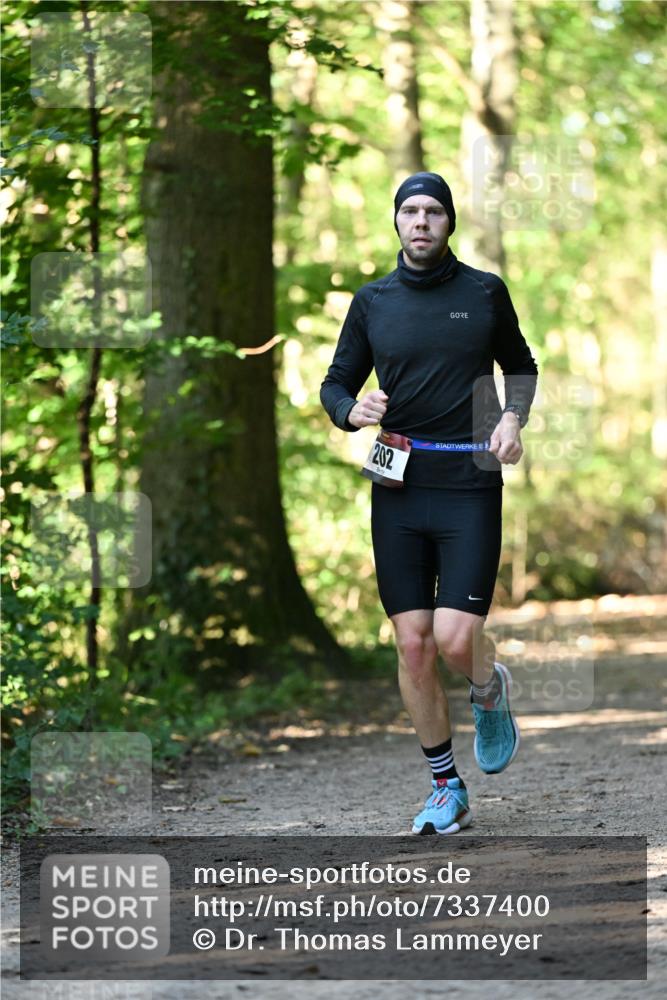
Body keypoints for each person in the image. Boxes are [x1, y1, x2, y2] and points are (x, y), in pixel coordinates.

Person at [320, 171, 538, 835]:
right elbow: (334, 385)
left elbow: (520, 366)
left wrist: (509, 421)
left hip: (468, 480)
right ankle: (446, 787)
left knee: (452, 638)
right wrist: (350, 411)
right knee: (411, 644)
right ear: (396, 222)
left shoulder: (482, 292)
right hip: (397, 482)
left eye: (432, 212)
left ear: (448, 223)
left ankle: (487, 686)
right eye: (409, 211)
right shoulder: (372, 301)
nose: (420, 222)